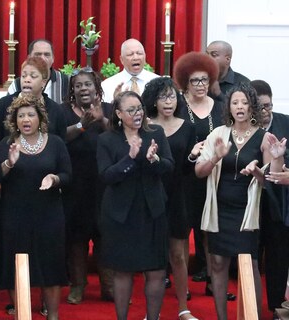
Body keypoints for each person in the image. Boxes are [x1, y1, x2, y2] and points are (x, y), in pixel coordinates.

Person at [195, 83, 286, 320]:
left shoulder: (264, 137)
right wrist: (216, 156)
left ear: (252, 106)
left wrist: (258, 170)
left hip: (247, 211)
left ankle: (251, 316)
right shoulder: (218, 134)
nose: (240, 107)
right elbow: (199, 172)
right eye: (235, 103)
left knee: (249, 264)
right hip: (220, 208)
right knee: (217, 263)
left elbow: (269, 179)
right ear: (229, 107)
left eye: (244, 102)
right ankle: (222, 317)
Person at [0, 94, 72, 320]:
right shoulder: (8, 144)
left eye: (30, 115)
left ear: (40, 118)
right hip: (15, 216)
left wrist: (54, 179)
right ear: (15, 120)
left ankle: (52, 315)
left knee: (51, 267)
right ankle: (22, 314)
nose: (25, 119)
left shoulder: (55, 143)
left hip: (49, 216)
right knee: (16, 266)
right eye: (21, 115)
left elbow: (68, 175)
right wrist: (8, 164)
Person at [97, 91, 174, 320]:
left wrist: (154, 159)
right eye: (130, 110)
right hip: (120, 215)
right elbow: (106, 176)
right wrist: (129, 158)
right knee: (122, 271)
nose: (137, 113)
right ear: (119, 114)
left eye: (139, 108)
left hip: (152, 211)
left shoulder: (156, 133)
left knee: (156, 271)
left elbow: (169, 166)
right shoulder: (107, 139)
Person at [173, 51, 236, 300]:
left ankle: (212, 281)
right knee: (180, 233)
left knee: (210, 231)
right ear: (185, 83)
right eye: (194, 81)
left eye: (204, 80)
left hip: (213, 176)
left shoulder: (220, 107)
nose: (200, 85)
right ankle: (182, 286)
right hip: (184, 177)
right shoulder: (177, 105)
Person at [142, 77, 199, 320]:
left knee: (178, 253)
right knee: (151, 255)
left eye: (172, 96)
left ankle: (183, 308)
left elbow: (187, 169)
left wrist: (194, 156)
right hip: (150, 195)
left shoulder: (188, 127)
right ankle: (150, 310)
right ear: (154, 100)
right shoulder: (145, 126)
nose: (169, 101)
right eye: (163, 96)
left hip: (177, 195)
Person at [61, 67, 114, 305]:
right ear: (72, 89)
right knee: (76, 240)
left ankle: (109, 287)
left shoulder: (110, 109)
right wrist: (82, 125)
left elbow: (120, 137)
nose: (83, 89)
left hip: (105, 186)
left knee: (105, 237)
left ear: (97, 87)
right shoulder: (63, 112)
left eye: (88, 84)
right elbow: (59, 138)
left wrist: (102, 120)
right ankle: (78, 286)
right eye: (78, 85)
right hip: (75, 186)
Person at [251, 79, 289, 318]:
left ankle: (277, 305)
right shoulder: (245, 126)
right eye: (260, 108)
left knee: (278, 254)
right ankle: (251, 304)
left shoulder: (285, 122)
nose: (265, 112)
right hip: (253, 199)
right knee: (252, 252)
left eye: (268, 106)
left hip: (281, 199)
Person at [0, 56, 66, 144]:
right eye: (23, 76)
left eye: (33, 76)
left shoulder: (56, 110)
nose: (27, 80)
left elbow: (60, 146)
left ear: (43, 82)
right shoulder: (3, 104)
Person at [8, 39, 69, 104]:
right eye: (38, 54)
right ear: (29, 58)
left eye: (47, 55)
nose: (43, 58)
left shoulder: (65, 82)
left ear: (53, 59)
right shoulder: (17, 84)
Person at [101, 38, 159, 103]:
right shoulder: (107, 85)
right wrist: (116, 103)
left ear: (145, 56)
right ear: (122, 59)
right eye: (130, 54)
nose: (136, 58)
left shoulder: (158, 82)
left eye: (139, 53)